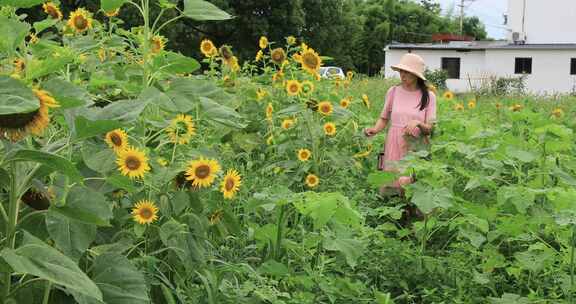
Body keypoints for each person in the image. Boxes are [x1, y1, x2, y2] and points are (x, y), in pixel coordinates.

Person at [364, 53, 436, 195]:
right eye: (401, 71)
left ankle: (411, 214)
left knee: (413, 184)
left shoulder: (429, 96)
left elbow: (430, 129)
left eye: (407, 72)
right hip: (394, 142)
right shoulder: (393, 91)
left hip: (416, 145)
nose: (402, 75)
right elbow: (384, 118)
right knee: (392, 181)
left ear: (416, 75)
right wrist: (375, 129)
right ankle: (393, 213)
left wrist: (418, 124)